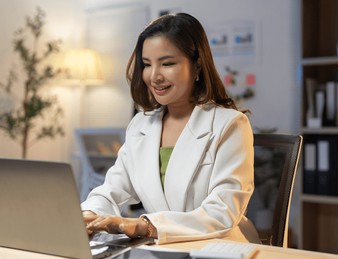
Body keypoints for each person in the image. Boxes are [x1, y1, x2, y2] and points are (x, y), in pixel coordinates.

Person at [81, 12, 260, 245]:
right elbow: (111, 190)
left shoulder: (231, 124)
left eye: (167, 64)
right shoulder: (140, 125)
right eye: (147, 65)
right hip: (163, 251)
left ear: (196, 67)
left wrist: (145, 226)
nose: (154, 76)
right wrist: (89, 216)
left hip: (218, 250)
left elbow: (222, 213)